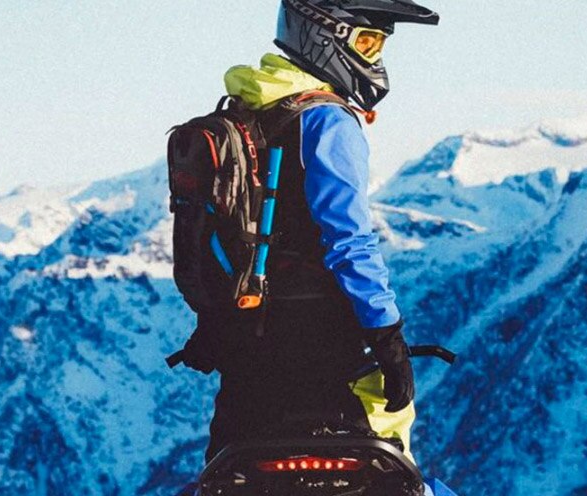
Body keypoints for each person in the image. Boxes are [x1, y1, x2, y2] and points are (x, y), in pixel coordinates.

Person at [180, 0, 440, 462]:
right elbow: (349, 239)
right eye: (366, 41)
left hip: (246, 335)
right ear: (324, 36)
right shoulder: (326, 120)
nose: (375, 58)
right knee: (382, 467)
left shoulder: (245, 111)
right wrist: (386, 336)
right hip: (322, 339)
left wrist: (215, 322)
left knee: (235, 471)